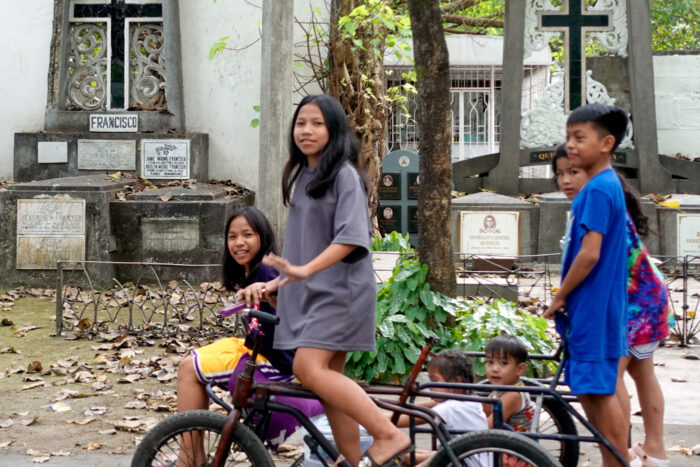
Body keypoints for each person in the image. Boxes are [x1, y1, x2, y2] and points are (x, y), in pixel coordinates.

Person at [239, 94, 410, 466]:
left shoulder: (344, 175)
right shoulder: (304, 177)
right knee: (331, 387)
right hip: (318, 293)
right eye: (301, 123)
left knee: (306, 368)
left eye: (317, 123)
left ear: (334, 131)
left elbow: (351, 239)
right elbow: (302, 252)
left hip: (342, 293)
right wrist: (278, 283)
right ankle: (352, 460)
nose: (307, 130)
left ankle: (389, 434)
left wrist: (302, 272)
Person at [552, 148, 672, 467]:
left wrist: (562, 296)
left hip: (636, 301)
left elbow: (589, 259)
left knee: (609, 378)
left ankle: (620, 454)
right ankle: (653, 452)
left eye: (574, 172)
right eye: (560, 174)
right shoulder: (604, 200)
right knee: (641, 372)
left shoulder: (599, 205)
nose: (566, 180)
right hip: (648, 297)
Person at [543, 103, 631, 467]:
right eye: (569, 137)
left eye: (580, 137)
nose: (572, 145)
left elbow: (589, 254)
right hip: (602, 305)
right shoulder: (608, 185)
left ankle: (617, 460)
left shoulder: (595, 190)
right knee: (596, 391)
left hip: (593, 307)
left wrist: (560, 295)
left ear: (607, 143)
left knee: (598, 391)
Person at [393, 350, 488, 467]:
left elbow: (412, 418)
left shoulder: (451, 407)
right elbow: (421, 407)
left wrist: (375, 420)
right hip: (462, 456)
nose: (431, 387)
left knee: (402, 456)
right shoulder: (469, 399)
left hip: (464, 462)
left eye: (435, 381)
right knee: (404, 455)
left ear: (456, 382)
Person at [481, 335, 535, 432]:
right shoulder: (498, 391)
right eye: (490, 362)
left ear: (519, 369)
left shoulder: (513, 395)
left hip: (513, 446)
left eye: (503, 363)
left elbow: (487, 426)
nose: (494, 369)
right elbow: (483, 413)